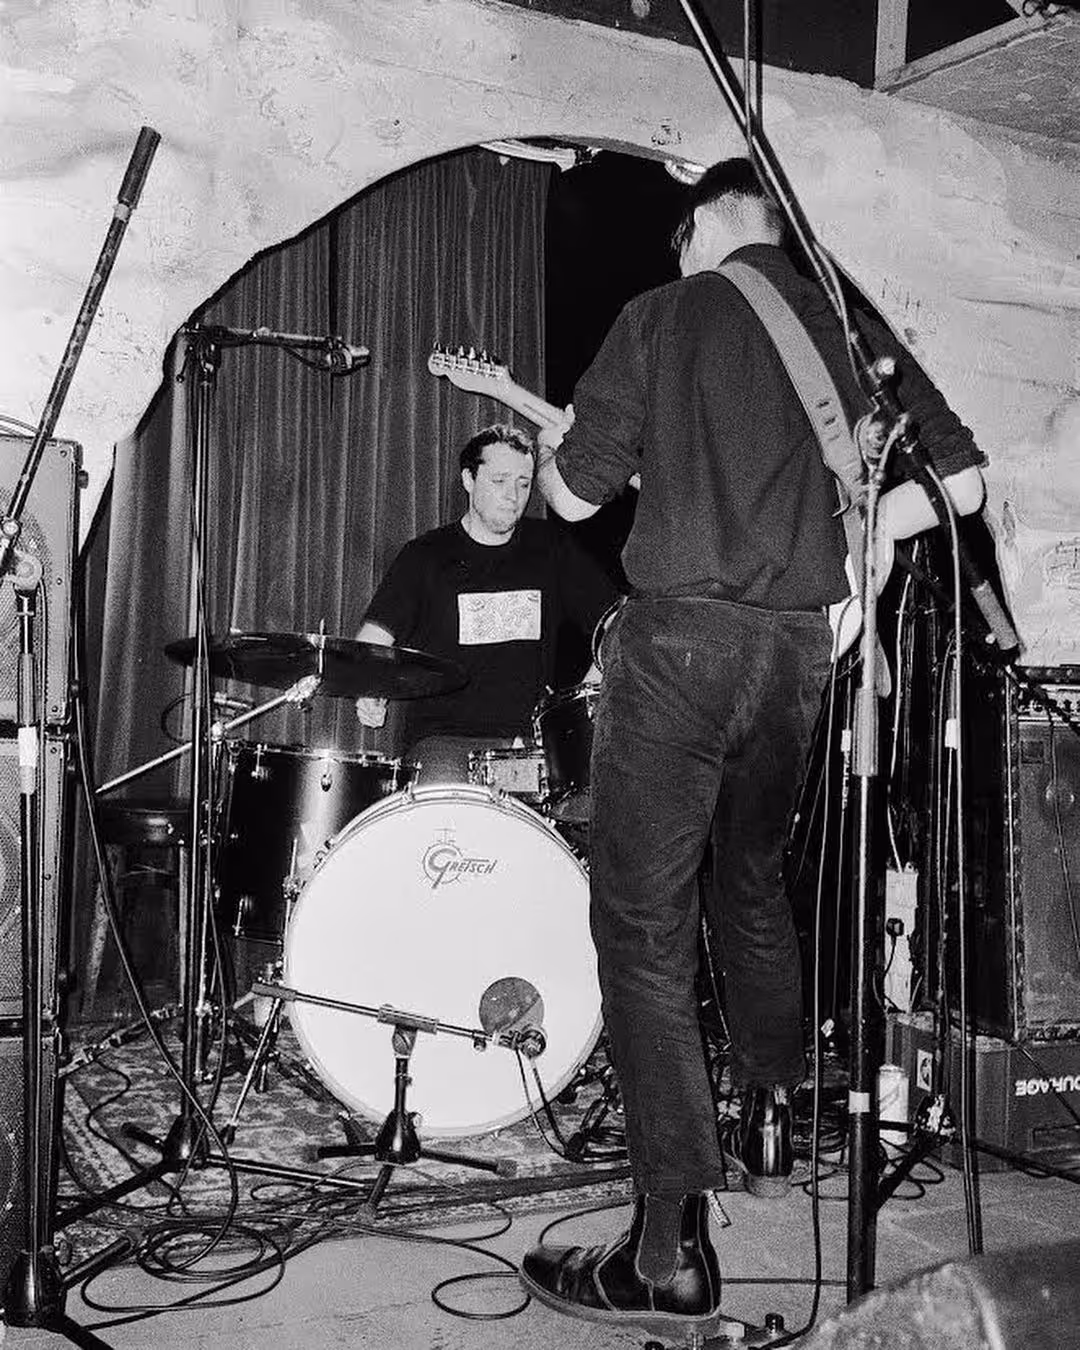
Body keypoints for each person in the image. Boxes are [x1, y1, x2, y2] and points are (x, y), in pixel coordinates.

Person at [519, 159, 988, 1339]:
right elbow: (966, 481)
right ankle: (773, 1113)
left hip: (679, 648)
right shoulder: (843, 320)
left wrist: (561, 453)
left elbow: (574, 502)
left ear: (703, 229)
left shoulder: (666, 312)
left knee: (642, 927)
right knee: (752, 886)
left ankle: (669, 1247)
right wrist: (864, 538)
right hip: (795, 662)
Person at [355, 422, 618, 783]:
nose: (513, 495)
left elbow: (617, 625)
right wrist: (370, 689)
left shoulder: (551, 549)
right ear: (469, 479)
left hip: (530, 745)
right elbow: (374, 639)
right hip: (442, 742)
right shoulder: (426, 556)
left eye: (523, 484)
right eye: (499, 481)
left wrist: (580, 703)